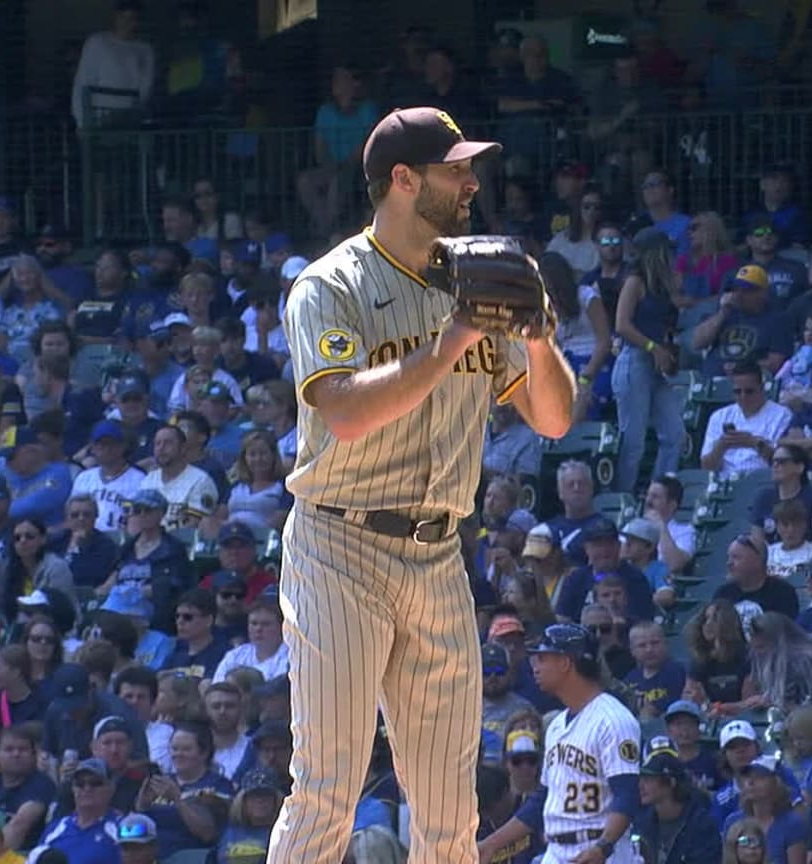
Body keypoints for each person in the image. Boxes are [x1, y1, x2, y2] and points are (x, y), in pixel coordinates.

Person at [270, 108, 574, 864]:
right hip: (340, 543)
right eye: (455, 168)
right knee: (328, 791)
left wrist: (537, 337)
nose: (472, 181)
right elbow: (341, 413)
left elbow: (554, 419)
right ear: (404, 180)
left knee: (448, 810)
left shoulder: (477, 273)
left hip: (439, 554)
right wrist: (455, 340)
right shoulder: (330, 284)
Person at [477, 624, 643, 863]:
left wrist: (603, 847)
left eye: (542, 658)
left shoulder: (613, 720)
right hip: (557, 850)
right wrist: (492, 843)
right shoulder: (556, 726)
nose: (534, 666)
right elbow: (542, 799)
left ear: (565, 662)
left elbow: (627, 795)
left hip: (601, 849)